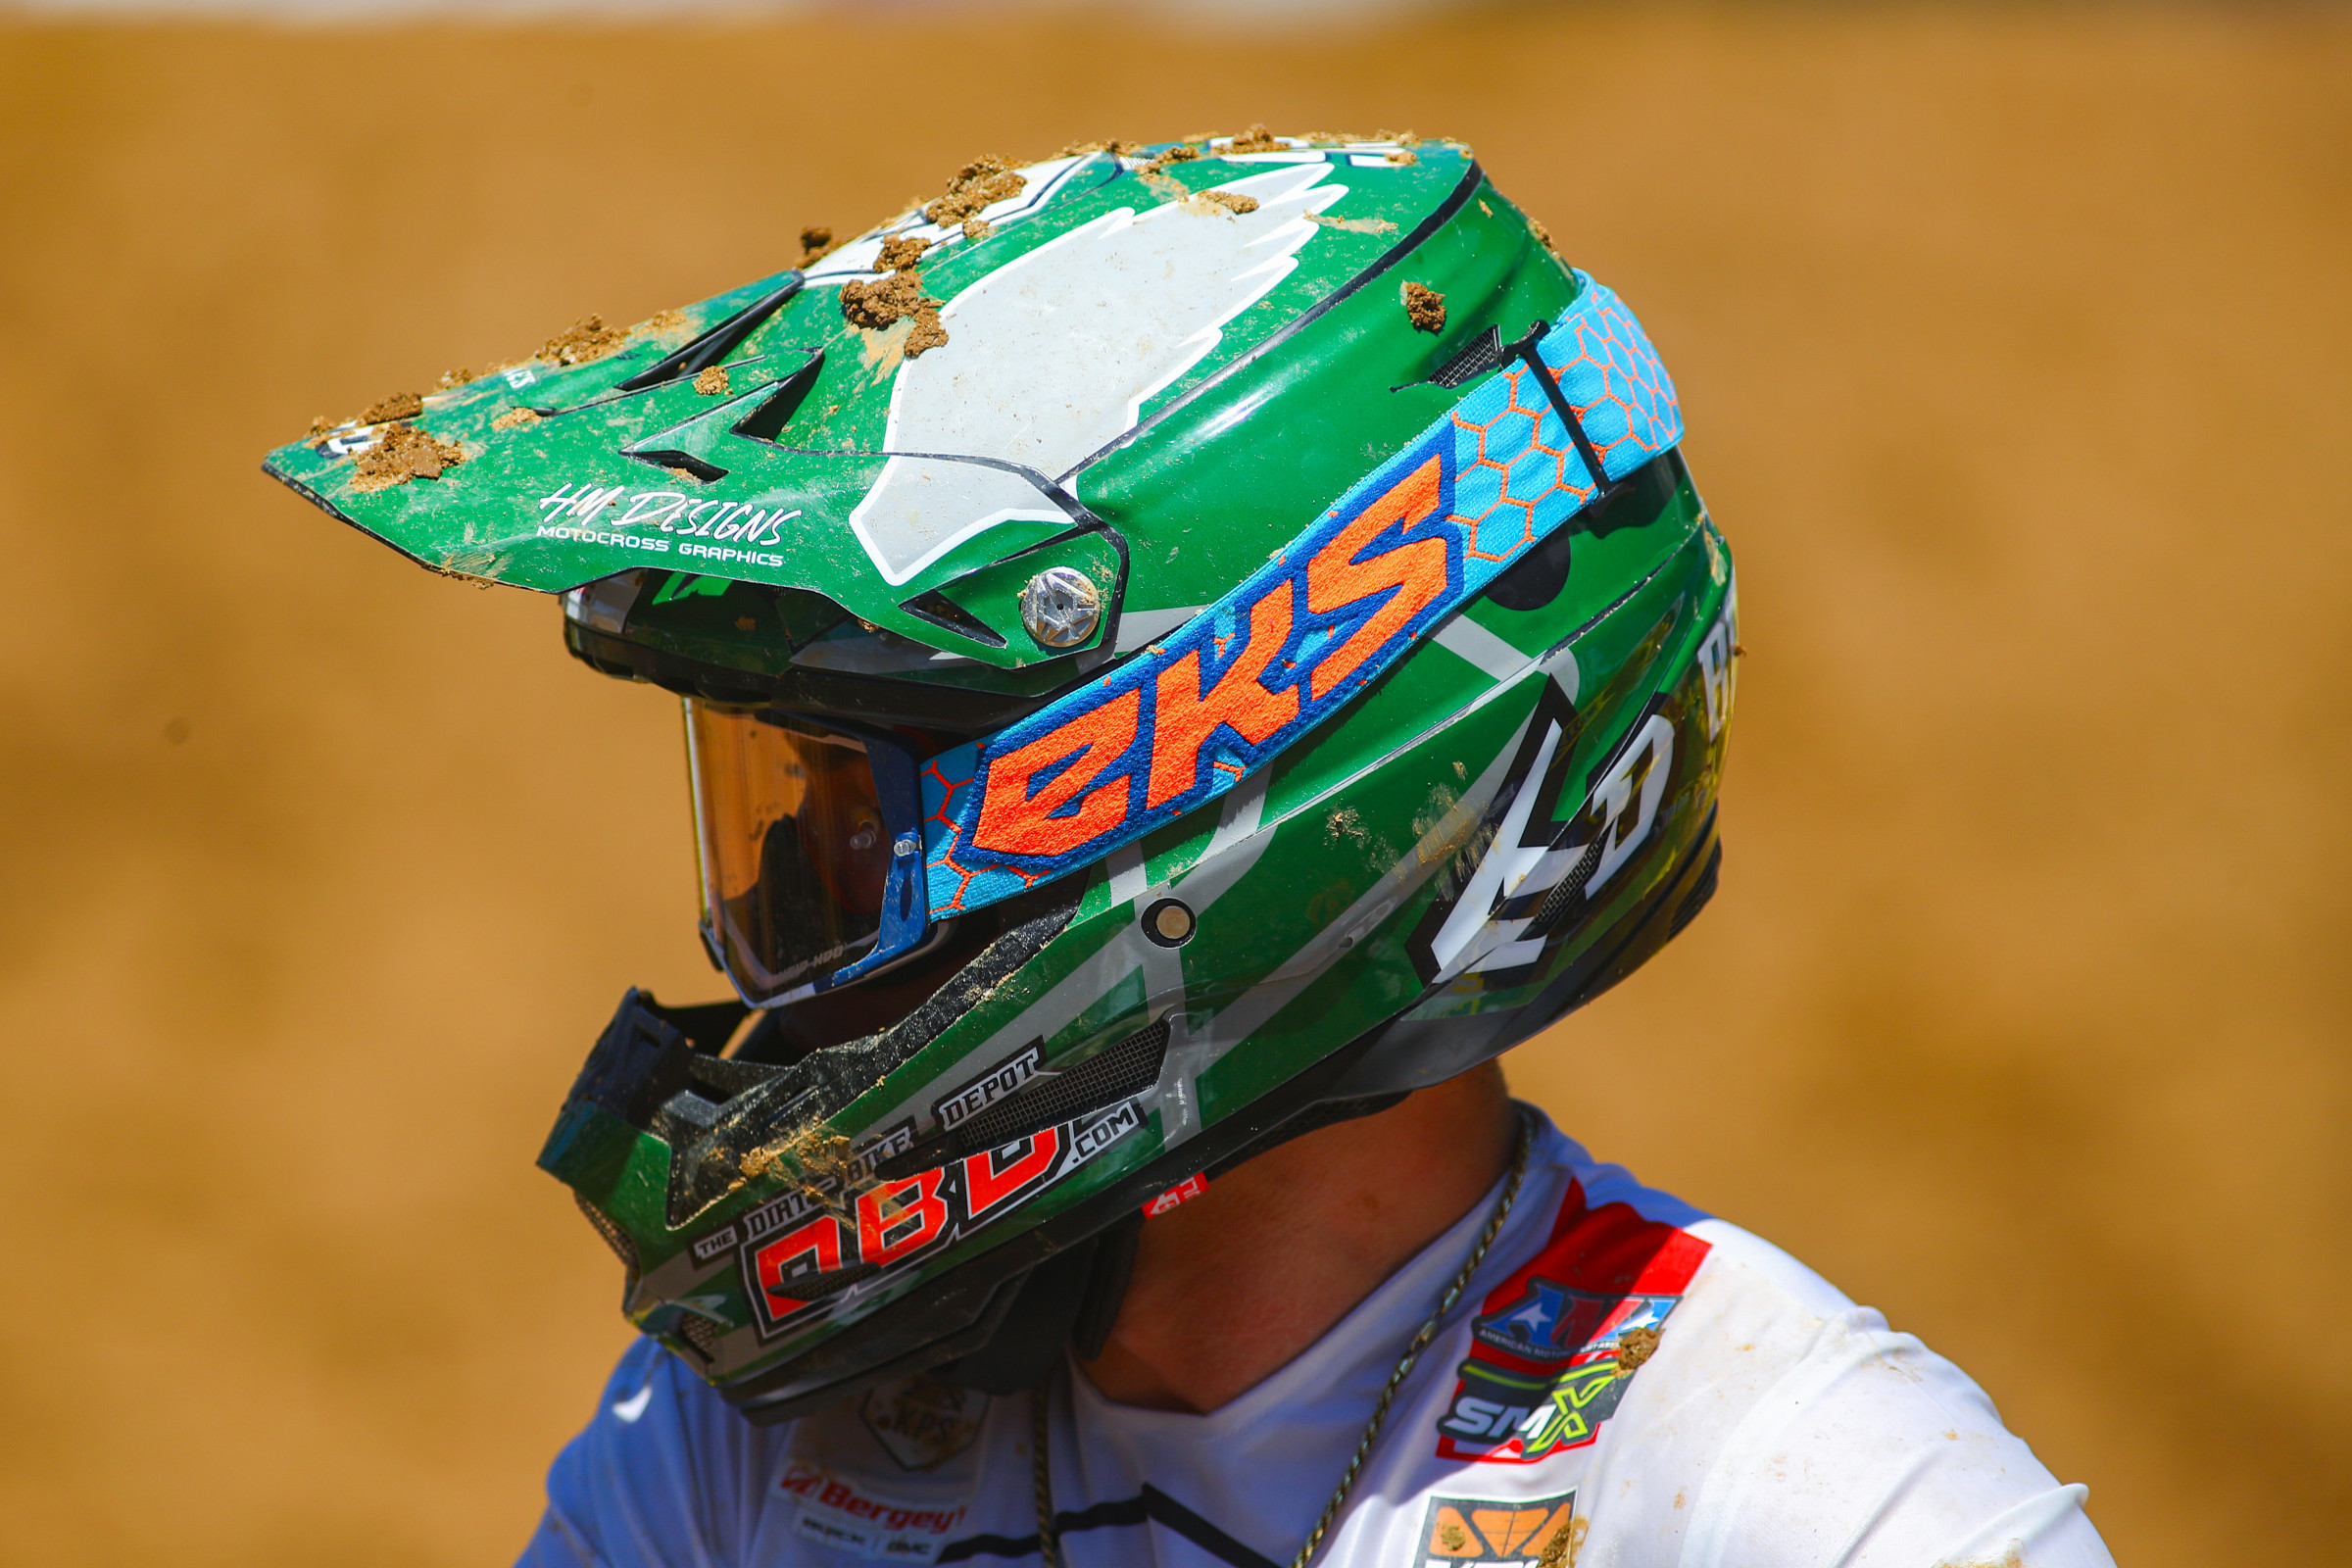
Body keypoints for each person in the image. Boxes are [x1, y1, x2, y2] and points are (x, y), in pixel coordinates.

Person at [265, 132, 2116, 1568]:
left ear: (1237, 814)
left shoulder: (1799, 1495)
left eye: (855, 833)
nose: (810, 990)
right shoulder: (754, 1452)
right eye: (784, 837)